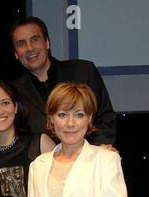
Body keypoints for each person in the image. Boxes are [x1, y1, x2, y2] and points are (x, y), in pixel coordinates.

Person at [10, 16, 117, 147]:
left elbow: (105, 118)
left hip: (90, 161)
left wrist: (91, 154)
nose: (30, 48)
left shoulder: (83, 71)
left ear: (47, 43)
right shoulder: (12, 92)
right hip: (43, 164)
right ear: (16, 53)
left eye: (34, 39)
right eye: (21, 43)